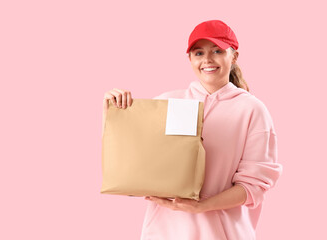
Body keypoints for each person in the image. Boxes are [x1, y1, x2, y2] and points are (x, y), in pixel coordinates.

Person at [102, 20, 282, 240]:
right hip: (164, 232)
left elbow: (254, 186)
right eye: (199, 53)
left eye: (217, 51)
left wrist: (202, 206)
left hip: (222, 234)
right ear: (189, 59)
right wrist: (114, 113)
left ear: (233, 56)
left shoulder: (252, 110)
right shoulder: (167, 102)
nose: (207, 59)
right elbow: (133, 165)